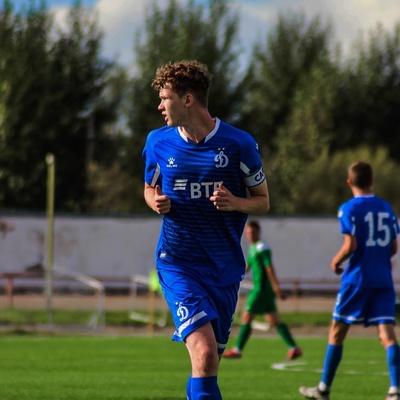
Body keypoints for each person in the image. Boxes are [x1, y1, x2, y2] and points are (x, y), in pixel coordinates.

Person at [142, 60, 270, 400]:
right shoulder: (158, 142)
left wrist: (235, 202)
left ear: (187, 100)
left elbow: (262, 202)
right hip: (178, 264)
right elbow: (149, 188)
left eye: (165, 98)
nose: (159, 106)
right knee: (205, 354)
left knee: (207, 364)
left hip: (223, 270)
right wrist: (155, 201)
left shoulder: (239, 144)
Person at [299, 161, 400, 400]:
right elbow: (394, 247)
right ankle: (395, 390)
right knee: (388, 335)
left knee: (337, 332)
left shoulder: (349, 208)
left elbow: (351, 245)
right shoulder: (386, 207)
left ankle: (323, 390)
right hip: (383, 280)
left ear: (349, 182)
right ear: (371, 180)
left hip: (357, 279)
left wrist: (336, 261)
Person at [223, 219, 302, 360]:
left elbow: (269, 267)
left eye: (253, 232)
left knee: (246, 317)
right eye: (248, 233)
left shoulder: (262, 248)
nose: (250, 235)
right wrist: (231, 275)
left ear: (259, 232)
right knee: (274, 321)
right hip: (265, 291)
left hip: (261, 289)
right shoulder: (253, 249)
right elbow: (247, 267)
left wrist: (277, 287)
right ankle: (294, 348)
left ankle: (238, 349)